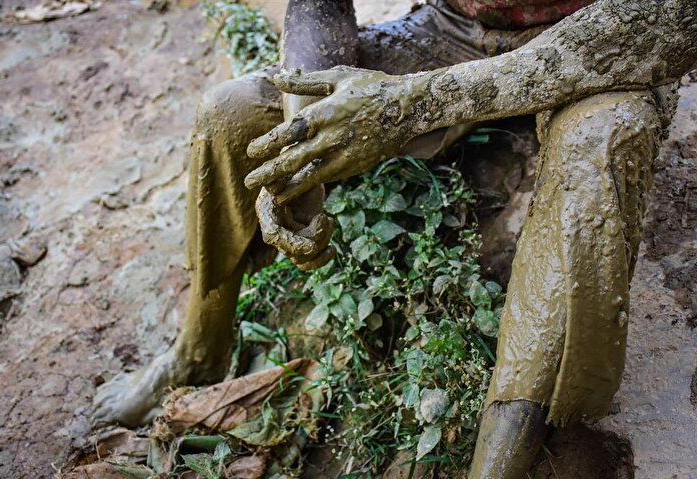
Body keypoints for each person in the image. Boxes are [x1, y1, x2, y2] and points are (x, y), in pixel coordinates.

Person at [93, 0, 697, 476]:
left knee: (597, 149)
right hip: (455, 28)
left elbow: (675, 21)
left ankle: (505, 452)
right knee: (232, 113)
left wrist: (409, 106)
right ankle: (199, 347)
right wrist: (301, 141)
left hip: (610, 43)